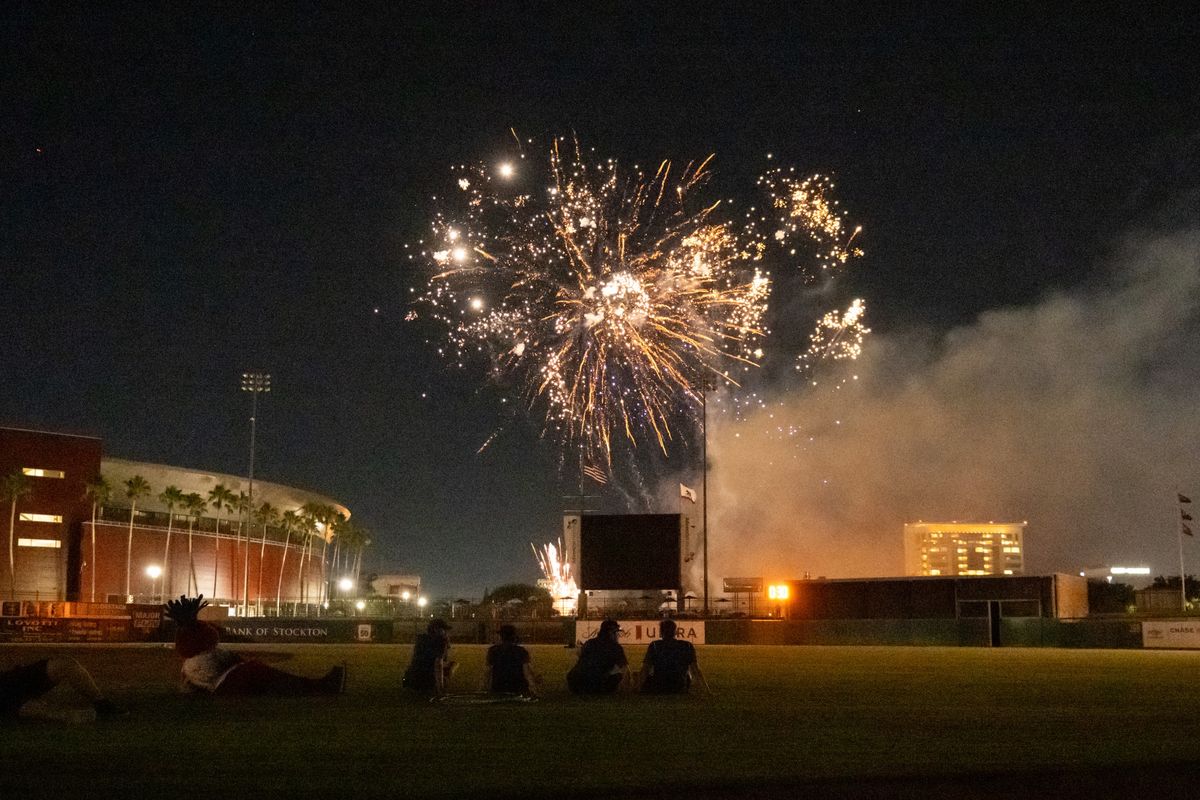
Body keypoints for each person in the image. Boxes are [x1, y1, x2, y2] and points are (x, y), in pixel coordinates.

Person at [165, 595, 345, 696]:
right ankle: (321, 687)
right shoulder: (201, 660)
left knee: (276, 679)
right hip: (235, 683)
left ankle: (319, 686)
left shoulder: (192, 663)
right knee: (277, 680)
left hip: (236, 681)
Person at [0, 657, 124, 723]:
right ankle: (67, 716)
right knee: (25, 707)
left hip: (10, 680)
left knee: (66, 664)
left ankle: (102, 704)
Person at [640, 618, 709, 694]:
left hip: (659, 686)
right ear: (675, 632)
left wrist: (636, 688)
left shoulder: (654, 645)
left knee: (637, 675)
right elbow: (696, 670)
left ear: (661, 632)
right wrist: (707, 690)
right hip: (679, 686)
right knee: (687, 674)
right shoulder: (687, 645)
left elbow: (645, 669)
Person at [567, 618, 628, 694]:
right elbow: (625, 670)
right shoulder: (616, 647)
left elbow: (580, 658)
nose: (618, 636)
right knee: (618, 673)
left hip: (575, 683)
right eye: (616, 633)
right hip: (596, 685)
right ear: (611, 633)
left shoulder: (589, 643)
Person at [482, 624, 540, 697]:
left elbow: (487, 672)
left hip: (498, 688)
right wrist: (535, 690)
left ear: (501, 636)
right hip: (518, 688)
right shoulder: (521, 651)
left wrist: (483, 689)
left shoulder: (493, 650)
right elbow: (527, 673)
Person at [403, 618, 456, 696]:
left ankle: (417, 688)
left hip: (411, 679)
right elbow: (438, 665)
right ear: (436, 630)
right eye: (443, 630)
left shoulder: (421, 638)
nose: (446, 633)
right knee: (452, 665)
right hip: (426, 679)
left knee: (446, 665)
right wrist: (440, 689)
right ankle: (435, 688)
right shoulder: (440, 640)